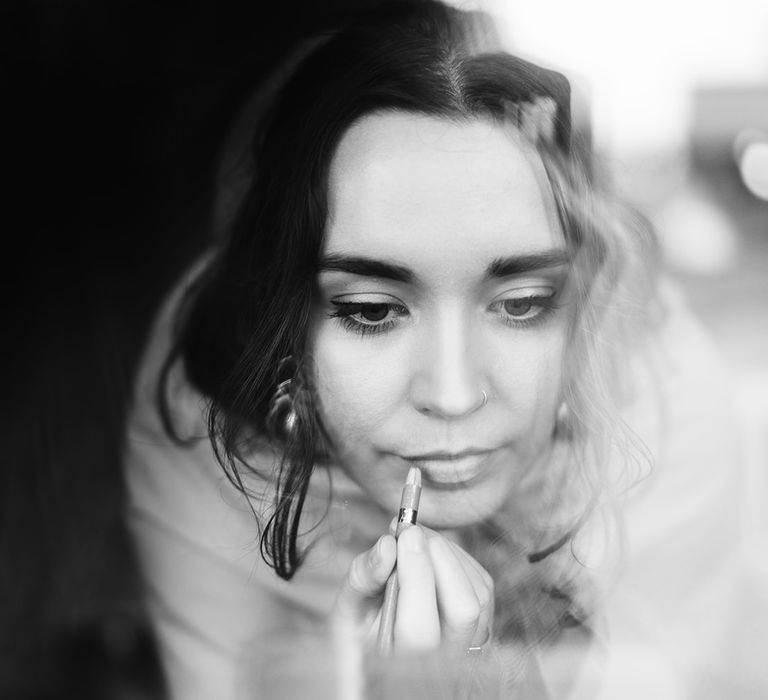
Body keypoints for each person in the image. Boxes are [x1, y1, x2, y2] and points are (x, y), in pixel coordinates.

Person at [124, 1, 746, 698]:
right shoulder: (209, 396)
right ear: (285, 328)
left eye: (520, 304)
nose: (452, 394)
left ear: (584, 310)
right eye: (371, 311)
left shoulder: (664, 404)